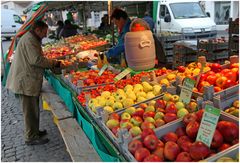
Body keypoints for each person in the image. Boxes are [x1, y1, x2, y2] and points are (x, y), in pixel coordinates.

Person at [6, 20, 62, 145]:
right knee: (29, 111)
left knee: (33, 109)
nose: (46, 35)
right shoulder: (30, 40)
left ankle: (35, 131)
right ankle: (30, 137)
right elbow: (35, 60)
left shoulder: (31, 38)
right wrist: (52, 63)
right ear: (38, 30)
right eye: (44, 32)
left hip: (28, 80)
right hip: (25, 81)